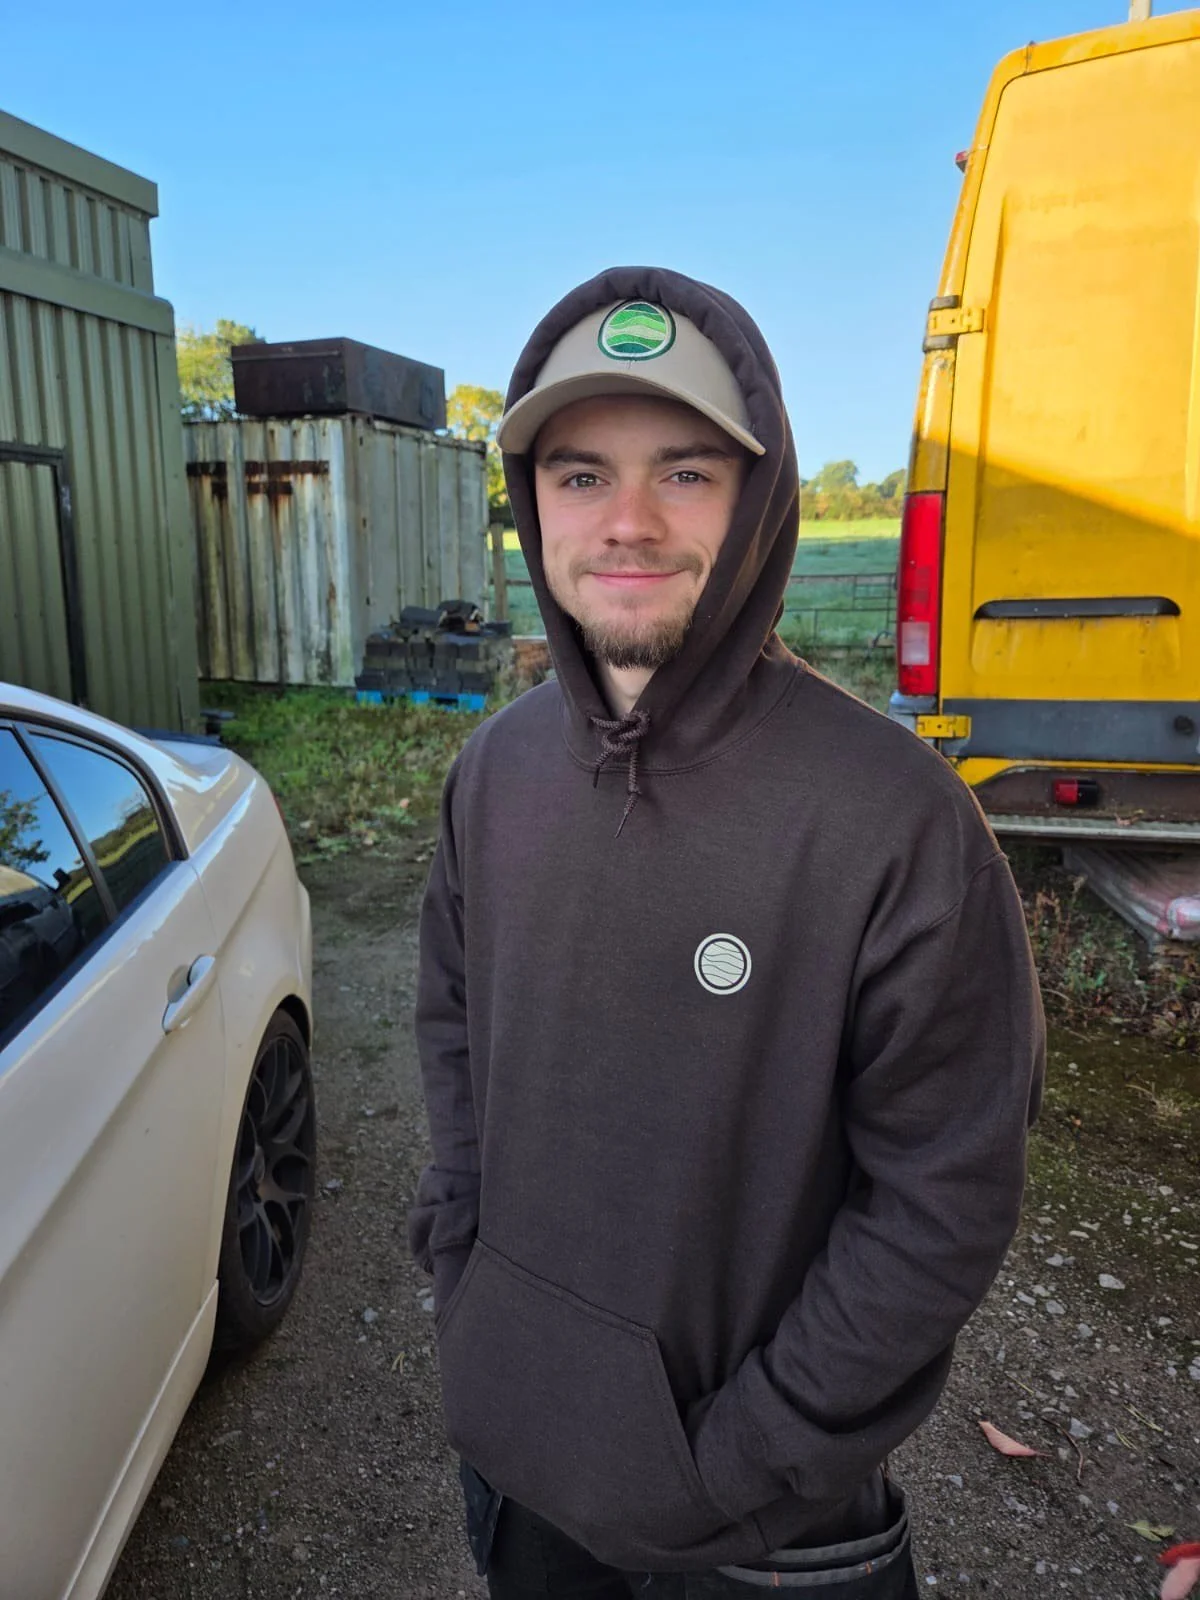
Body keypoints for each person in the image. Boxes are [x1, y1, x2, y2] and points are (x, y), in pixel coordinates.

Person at [409, 267, 1044, 1599]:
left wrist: (745, 1456)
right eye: (582, 475)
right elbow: (457, 1036)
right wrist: (466, 1288)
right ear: (534, 508)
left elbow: (944, 1192)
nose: (627, 522)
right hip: (522, 1465)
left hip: (768, 1534)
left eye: (684, 472)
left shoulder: (893, 818)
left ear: (758, 500)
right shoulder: (496, 774)